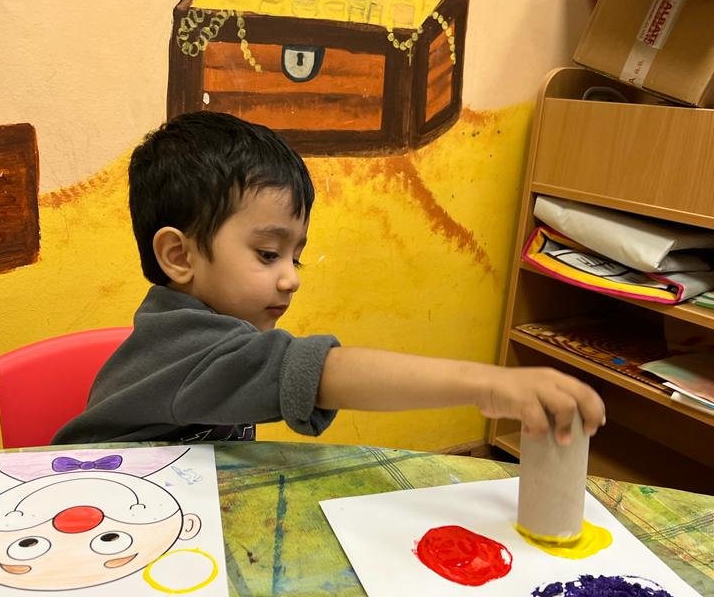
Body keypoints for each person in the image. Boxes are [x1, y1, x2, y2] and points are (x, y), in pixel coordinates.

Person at [53, 111, 605, 447]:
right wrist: (487, 384)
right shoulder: (186, 348)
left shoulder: (206, 331)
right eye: (268, 254)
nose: (290, 280)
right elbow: (325, 372)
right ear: (180, 255)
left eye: (295, 257)